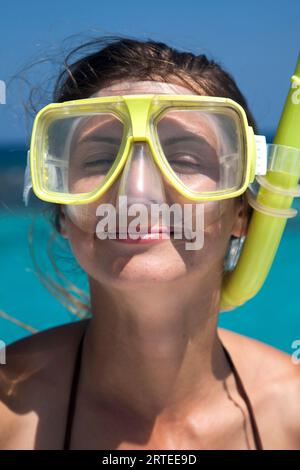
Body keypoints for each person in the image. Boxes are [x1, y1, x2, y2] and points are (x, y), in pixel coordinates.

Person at [0, 37, 299, 450]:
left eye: (184, 160)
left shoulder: (292, 413)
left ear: (242, 213)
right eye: (101, 160)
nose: (137, 194)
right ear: (64, 211)